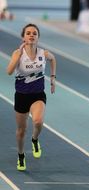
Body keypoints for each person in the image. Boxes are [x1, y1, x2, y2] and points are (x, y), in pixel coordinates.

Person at [6, 23, 57, 171]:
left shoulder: (44, 53)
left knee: (38, 121)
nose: (31, 35)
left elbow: (53, 59)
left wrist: (53, 78)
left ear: (38, 37)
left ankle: (35, 139)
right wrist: (19, 56)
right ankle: (21, 156)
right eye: (28, 33)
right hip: (21, 96)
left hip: (37, 95)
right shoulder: (17, 53)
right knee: (21, 131)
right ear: (23, 37)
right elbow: (9, 71)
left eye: (34, 33)